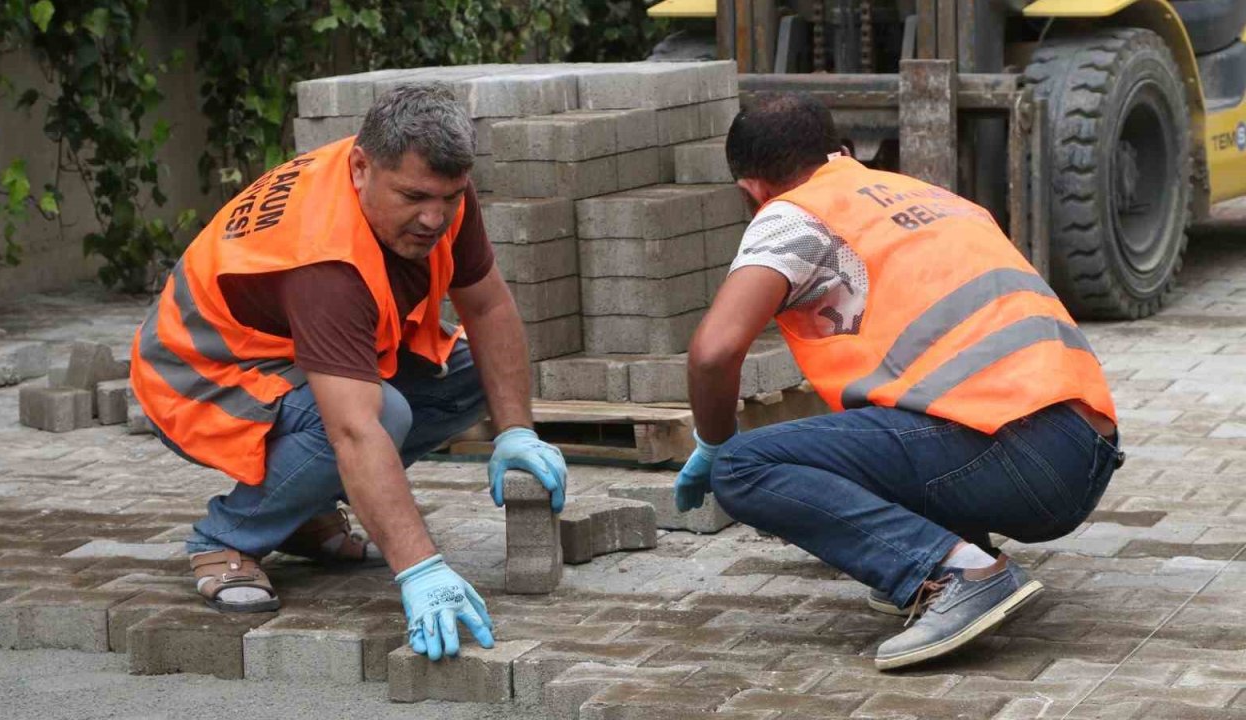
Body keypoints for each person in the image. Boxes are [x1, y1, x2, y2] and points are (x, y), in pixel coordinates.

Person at [673, 94, 1123, 670]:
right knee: (868, 423)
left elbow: (713, 354)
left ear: (752, 190)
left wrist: (714, 445)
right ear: (841, 152)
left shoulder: (793, 215)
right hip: (1082, 449)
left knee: (747, 466)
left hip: (1015, 452)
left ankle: (961, 574)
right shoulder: (926, 196)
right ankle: (961, 547)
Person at [129, 84, 567, 662]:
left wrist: (515, 431)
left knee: (465, 374)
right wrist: (420, 568)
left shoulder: (433, 188)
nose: (435, 218)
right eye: (415, 197)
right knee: (381, 415)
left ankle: (300, 511)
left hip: (290, 349)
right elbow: (355, 430)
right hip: (201, 374)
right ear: (361, 167)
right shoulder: (325, 265)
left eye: (450, 198)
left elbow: (487, 306)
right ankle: (226, 539)